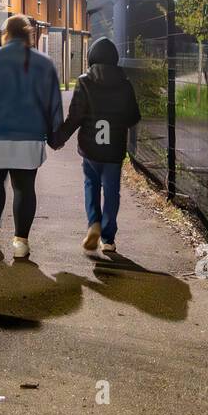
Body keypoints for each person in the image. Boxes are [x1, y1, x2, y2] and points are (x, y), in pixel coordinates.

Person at [0, 14, 63, 259]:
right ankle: (21, 242)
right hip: (30, 137)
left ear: (5, 34)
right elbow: (54, 104)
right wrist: (54, 134)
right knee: (24, 188)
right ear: (29, 34)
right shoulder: (45, 64)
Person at [50, 36, 141, 253]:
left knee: (91, 185)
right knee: (112, 192)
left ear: (91, 57)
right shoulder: (125, 84)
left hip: (90, 149)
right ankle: (108, 239)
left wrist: (57, 139)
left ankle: (94, 224)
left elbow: (75, 117)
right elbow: (133, 116)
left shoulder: (85, 81)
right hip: (114, 150)